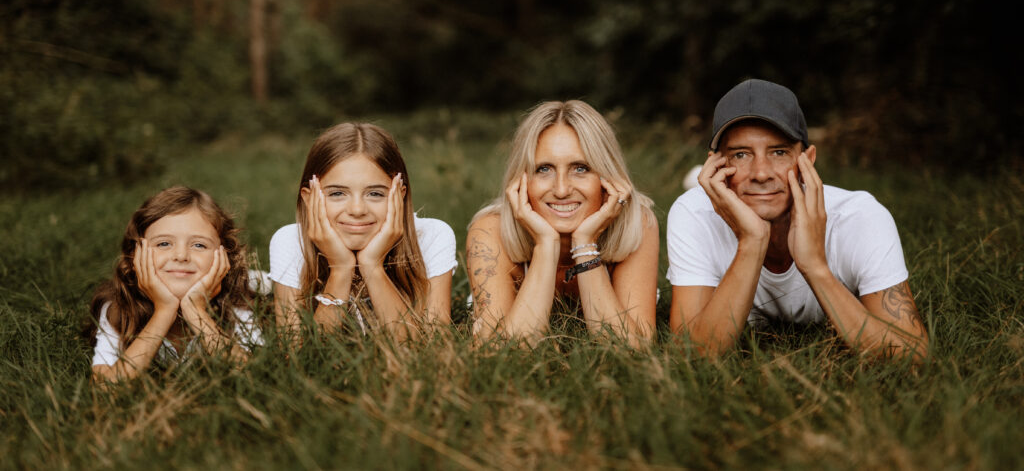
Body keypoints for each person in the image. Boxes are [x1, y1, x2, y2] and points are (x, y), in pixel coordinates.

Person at [667, 79, 929, 360]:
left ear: (808, 159)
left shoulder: (859, 217)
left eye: (778, 152)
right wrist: (752, 242)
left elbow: (914, 356)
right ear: (716, 164)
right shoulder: (694, 214)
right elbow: (691, 355)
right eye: (741, 155)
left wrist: (815, 266)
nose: (761, 173)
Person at [467, 100, 659, 347]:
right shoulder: (490, 230)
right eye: (544, 169)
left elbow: (632, 349)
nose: (561, 189)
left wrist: (585, 243)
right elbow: (501, 352)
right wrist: (546, 245)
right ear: (521, 178)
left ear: (607, 176)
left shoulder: (636, 224)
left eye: (580, 168)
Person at [270, 122, 456, 339]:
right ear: (309, 197)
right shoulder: (290, 241)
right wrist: (340, 268)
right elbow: (298, 357)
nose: (357, 210)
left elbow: (429, 351)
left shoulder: (432, 236)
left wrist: (372, 266)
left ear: (400, 196)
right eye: (337, 193)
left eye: (375, 194)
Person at [89, 186, 261, 382]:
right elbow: (106, 389)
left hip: (246, 283)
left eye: (199, 245)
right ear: (136, 254)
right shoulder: (117, 306)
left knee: (259, 282)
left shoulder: (237, 301)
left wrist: (196, 312)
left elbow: (254, 378)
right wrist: (164, 310)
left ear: (224, 256)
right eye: (164, 243)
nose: (181, 256)